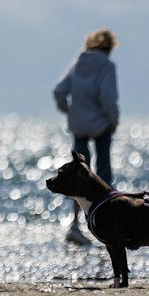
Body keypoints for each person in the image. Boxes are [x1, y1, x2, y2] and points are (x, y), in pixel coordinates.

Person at [52, 29, 120, 245]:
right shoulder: (107, 66)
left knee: (78, 175)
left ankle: (75, 224)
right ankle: (105, 220)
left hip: (79, 124)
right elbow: (107, 96)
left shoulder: (78, 62)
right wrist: (113, 120)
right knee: (103, 173)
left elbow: (59, 91)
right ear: (109, 47)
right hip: (101, 125)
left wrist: (68, 110)